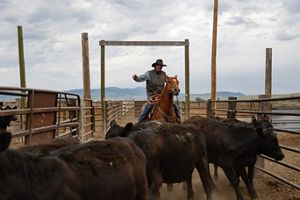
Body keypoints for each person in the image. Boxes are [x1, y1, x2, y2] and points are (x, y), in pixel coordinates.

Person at [132, 59, 181, 123]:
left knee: (173, 104)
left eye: (161, 66)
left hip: (162, 95)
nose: (160, 67)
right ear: (155, 66)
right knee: (149, 106)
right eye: (159, 65)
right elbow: (141, 78)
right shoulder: (149, 74)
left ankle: (179, 119)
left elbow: (169, 81)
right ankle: (140, 122)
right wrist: (136, 78)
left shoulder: (164, 74)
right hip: (152, 95)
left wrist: (174, 85)